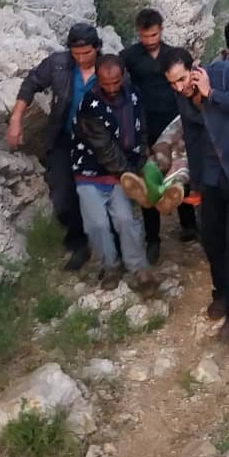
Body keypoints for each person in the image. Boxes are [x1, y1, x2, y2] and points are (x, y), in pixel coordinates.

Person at [161, 41, 229, 342]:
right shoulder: (181, 96)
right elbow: (193, 139)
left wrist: (211, 94)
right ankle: (222, 292)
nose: (179, 87)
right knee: (211, 239)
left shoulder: (223, 74)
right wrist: (196, 184)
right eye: (172, 83)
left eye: (182, 79)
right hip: (212, 175)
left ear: (194, 68)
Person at [6, 23, 100, 271]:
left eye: (87, 53)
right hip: (64, 139)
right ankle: (79, 244)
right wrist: (16, 119)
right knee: (62, 198)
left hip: (99, 145)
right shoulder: (58, 64)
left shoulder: (110, 69)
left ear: (97, 48)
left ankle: (110, 249)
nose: (81, 59)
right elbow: (31, 83)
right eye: (76, 54)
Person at [119, 9, 199, 261]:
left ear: (161, 30)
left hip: (176, 121)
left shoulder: (172, 56)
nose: (150, 40)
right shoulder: (129, 57)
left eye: (154, 35)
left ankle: (189, 225)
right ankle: (153, 239)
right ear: (138, 32)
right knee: (148, 175)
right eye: (145, 36)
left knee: (180, 172)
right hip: (146, 125)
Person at [72, 55, 155, 292]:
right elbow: (105, 150)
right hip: (91, 171)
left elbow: (141, 129)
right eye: (106, 83)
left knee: (125, 219)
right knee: (97, 224)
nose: (111, 88)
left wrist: (142, 158)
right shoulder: (89, 105)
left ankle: (139, 267)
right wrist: (132, 177)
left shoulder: (134, 95)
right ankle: (109, 266)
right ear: (97, 79)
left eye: (116, 82)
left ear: (123, 76)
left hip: (122, 171)